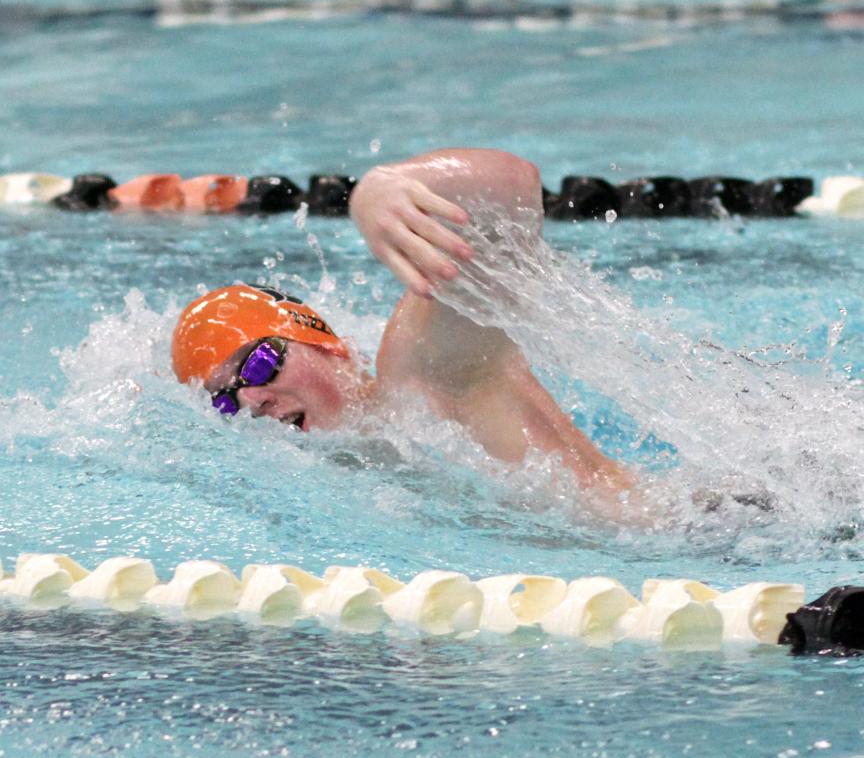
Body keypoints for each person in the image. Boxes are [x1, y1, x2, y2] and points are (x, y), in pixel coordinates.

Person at [171, 148, 661, 523]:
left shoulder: (418, 372)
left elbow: (511, 189)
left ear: (326, 343)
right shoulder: (360, 467)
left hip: (693, 534)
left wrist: (377, 191)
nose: (253, 400)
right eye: (225, 400)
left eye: (258, 363)